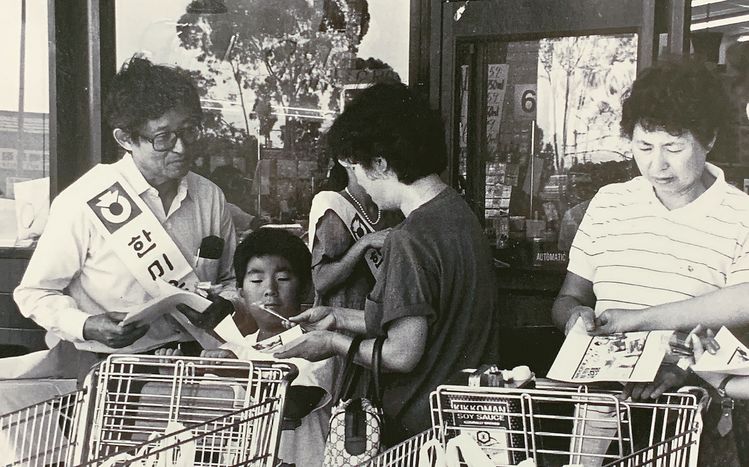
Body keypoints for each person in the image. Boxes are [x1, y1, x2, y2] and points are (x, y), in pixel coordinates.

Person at [273, 82, 498, 445]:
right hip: (465, 419)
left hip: (416, 429)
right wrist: (339, 317)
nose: (359, 180)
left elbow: (401, 353)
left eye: (357, 168)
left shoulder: (409, 237)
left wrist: (332, 342)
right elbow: (425, 318)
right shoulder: (458, 213)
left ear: (379, 163)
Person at [551, 59, 749, 465]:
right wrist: (576, 320)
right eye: (644, 147)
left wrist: (682, 370)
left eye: (673, 148)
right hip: (599, 414)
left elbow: (741, 321)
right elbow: (569, 297)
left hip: (692, 424)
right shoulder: (609, 203)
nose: (657, 165)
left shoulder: (741, 215)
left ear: (709, 138)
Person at [11, 56, 238, 380]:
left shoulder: (210, 197)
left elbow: (230, 282)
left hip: (193, 364)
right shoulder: (84, 200)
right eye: (163, 138)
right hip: (107, 369)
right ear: (125, 139)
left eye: (189, 131)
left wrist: (223, 303)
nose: (181, 147)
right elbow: (33, 293)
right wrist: (86, 325)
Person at [163, 228, 335, 467]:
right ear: (241, 292)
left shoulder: (317, 344)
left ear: (306, 288)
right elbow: (203, 418)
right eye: (256, 280)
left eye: (283, 279)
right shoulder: (235, 348)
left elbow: (295, 406)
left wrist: (238, 371)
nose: (269, 290)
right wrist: (176, 378)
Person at [308, 158, 402, 309]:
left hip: (385, 319)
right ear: (346, 160)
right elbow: (320, 282)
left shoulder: (392, 209)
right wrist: (364, 243)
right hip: (343, 321)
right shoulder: (334, 207)